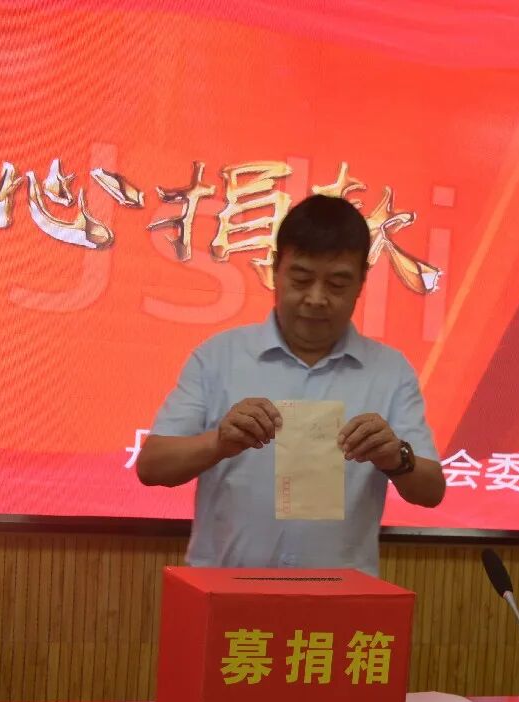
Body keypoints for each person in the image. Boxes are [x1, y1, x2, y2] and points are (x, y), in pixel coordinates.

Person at [136, 194, 445, 575]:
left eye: (337, 284)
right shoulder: (218, 357)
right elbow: (152, 466)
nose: (316, 299)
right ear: (274, 269)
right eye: (301, 279)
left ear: (361, 282)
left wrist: (396, 457)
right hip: (227, 592)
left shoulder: (390, 371)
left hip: (337, 598)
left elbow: (431, 491)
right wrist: (218, 444)